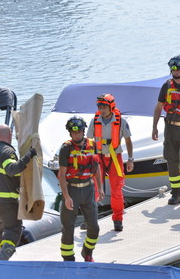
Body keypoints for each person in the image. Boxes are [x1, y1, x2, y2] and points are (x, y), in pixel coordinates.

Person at [57, 116, 104, 262]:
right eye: (73, 132)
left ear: (83, 131)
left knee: (94, 227)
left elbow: (96, 168)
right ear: (70, 133)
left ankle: (87, 252)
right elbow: (61, 175)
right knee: (68, 228)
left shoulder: (92, 144)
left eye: (79, 132)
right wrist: (66, 197)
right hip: (72, 191)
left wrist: (100, 188)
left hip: (88, 189)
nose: (76, 135)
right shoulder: (66, 148)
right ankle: (68, 258)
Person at [152, 55, 180, 204]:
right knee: (171, 160)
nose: (175, 71)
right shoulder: (167, 86)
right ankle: (176, 194)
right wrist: (154, 127)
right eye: (173, 68)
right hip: (170, 128)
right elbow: (158, 107)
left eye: (178, 68)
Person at [87, 94, 133, 232]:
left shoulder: (121, 122)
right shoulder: (94, 121)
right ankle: (90, 220)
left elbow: (128, 141)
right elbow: (89, 141)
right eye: (99, 107)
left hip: (115, 158)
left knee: (116, 190)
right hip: (98, 158)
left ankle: (118, 219)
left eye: (104, 107)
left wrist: (131, 159)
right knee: (94, 189)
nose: (102, 110)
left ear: (111, 107)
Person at [0, 124, 36, 260]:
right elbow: (12, 169)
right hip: (7, 201)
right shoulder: (6, 151)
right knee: (13, 231)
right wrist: (28, 156)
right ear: (11, 136)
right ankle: (2, 258)